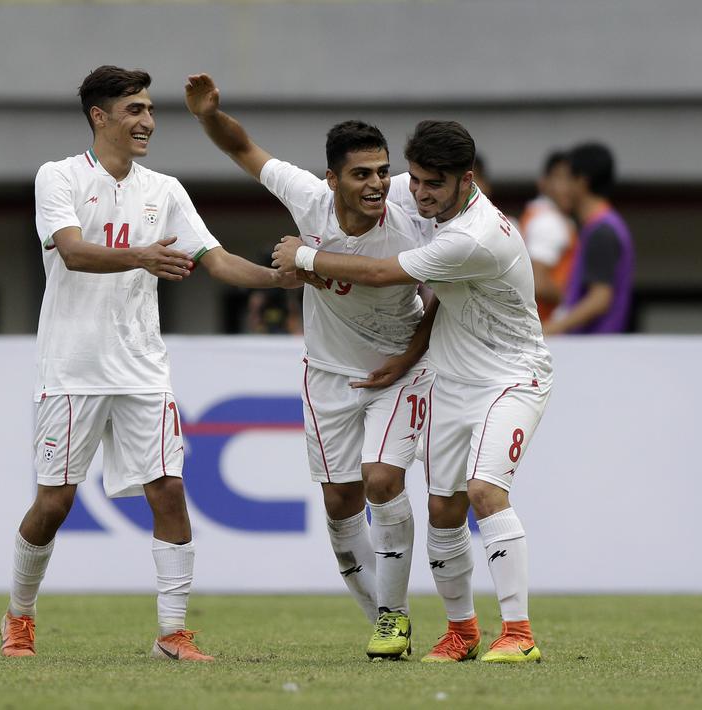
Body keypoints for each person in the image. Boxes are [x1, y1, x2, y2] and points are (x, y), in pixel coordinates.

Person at [1, 65, 302, 662]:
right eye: (134, 110)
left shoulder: (164, 190)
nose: (147, 121)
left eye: (150, 110)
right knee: (54, 504)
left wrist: (288, 278)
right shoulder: (57, 177)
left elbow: (214, 261)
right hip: (72, 368)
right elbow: (73, 253)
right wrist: (142, 256)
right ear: (99, 117)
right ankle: (20, 616)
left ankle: (172, 633)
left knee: (169, 491)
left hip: (142, 369)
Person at [272, 120, 553, 664]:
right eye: (415, 179)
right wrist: (409, 356)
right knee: (443, 508)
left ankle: (518, 632)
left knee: (484, 492)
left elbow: (380, 271)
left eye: (433, 184)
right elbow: (438, 303)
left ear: (466, 181)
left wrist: (303, 258)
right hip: (450, 377)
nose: (418, 193)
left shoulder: (474, 236)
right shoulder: (428, 207)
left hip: (512, 376)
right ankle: (462, 631)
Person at [185, 73, 437, 660]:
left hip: (402, 372)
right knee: (339, 504)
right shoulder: (307, 197)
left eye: (381, 171)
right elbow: (243, 149)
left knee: (382, 480)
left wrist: (407, 356)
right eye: (361, 174)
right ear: (332, 179)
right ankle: (385, 620)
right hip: (328, 375)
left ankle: (398, 618)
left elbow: (442, 294)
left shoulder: (411, 207)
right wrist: (207, 116)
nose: (377, 184)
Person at [544, 142, 635, 334]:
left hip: (595, 352)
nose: (561, 188)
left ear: (581, 182)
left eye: (566, 179)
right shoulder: (604, 226)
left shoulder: (601, 230)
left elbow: (600, 298)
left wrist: (551, 329)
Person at [519, 150, 578, 324]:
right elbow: (538, 282)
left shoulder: (537, 215)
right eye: (561, 178)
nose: (568, 187)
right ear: (543, 183)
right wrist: (572, 302)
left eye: (572, 179)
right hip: (546, 326)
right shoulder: (549, 221)